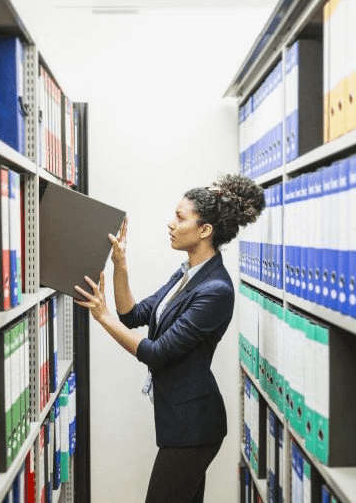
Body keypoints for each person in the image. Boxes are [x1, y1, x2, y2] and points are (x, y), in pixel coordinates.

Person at [74, 174, 266, 503]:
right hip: (180, 421)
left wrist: (101, 316)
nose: (170, 224)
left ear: (205, 230)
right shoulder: (186, 274)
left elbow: (157, 352)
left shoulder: (215, 290)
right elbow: (133, 314)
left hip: (194, 427)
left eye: (180, 217)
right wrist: (120, 263)